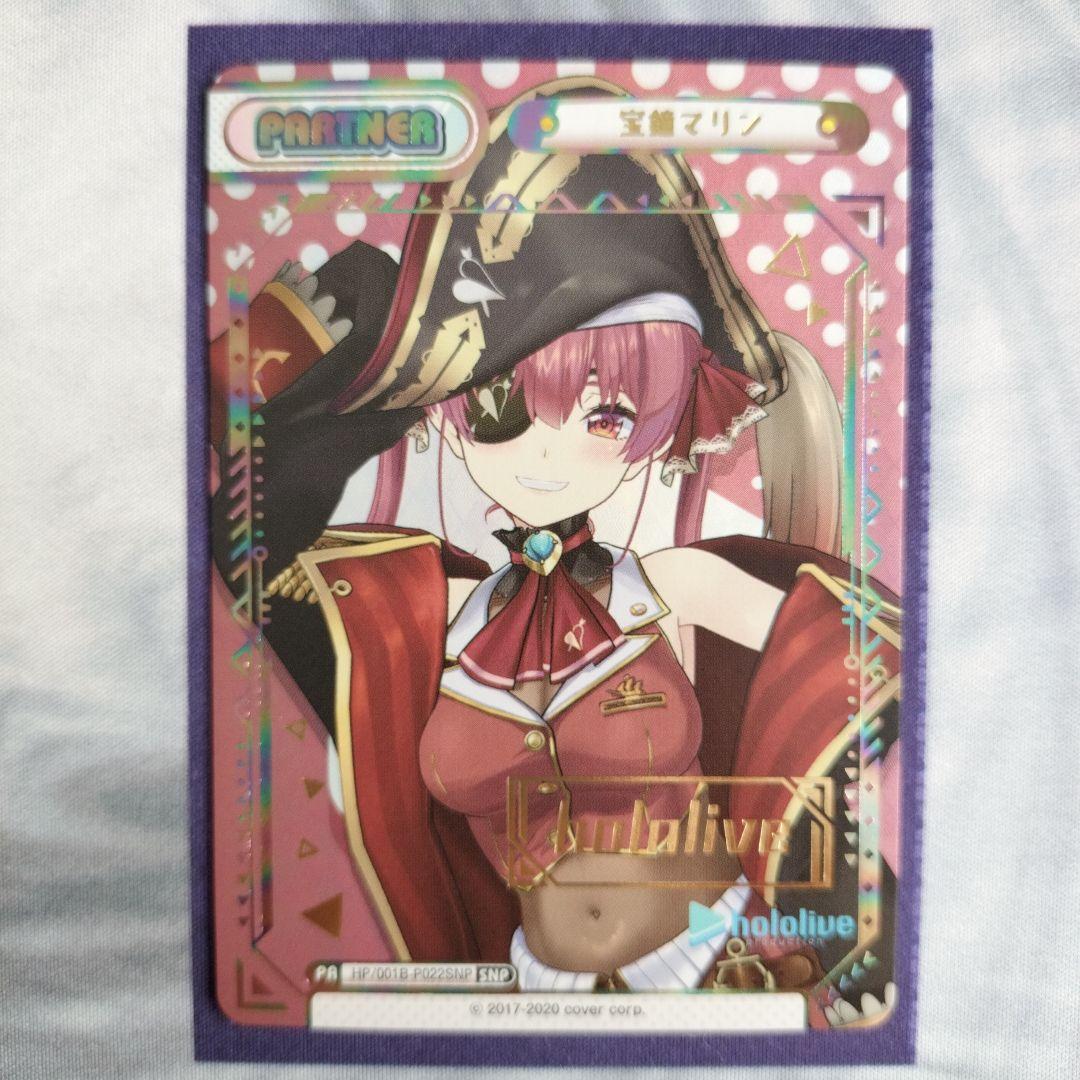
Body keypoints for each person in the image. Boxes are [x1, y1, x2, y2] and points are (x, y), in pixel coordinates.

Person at [210, 76, 900, 1016]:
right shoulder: (436, 623)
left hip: (719, 965)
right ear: (443, 408)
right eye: (501, 405)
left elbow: (843, 678)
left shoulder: (678, 587)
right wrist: (328, 386)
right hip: (528, 992)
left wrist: (856, 912)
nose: (546, 455)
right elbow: (250, 558)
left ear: (657, 421)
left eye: (607, 417)